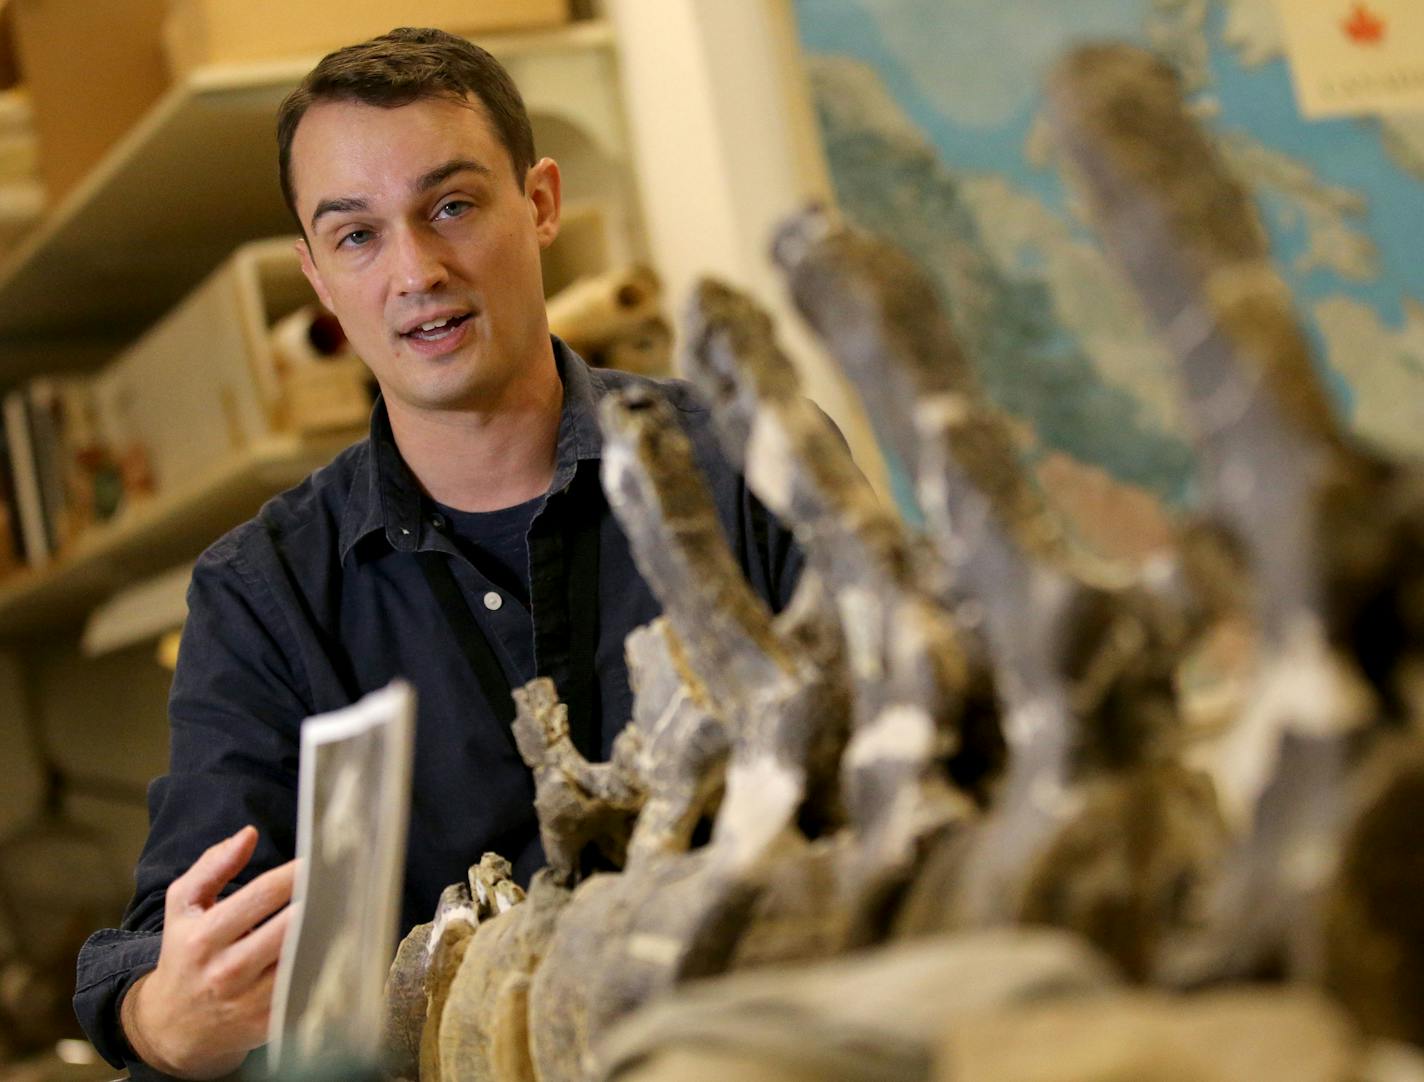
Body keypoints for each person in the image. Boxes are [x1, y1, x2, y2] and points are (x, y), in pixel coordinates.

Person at [73, 27, 804, 1080]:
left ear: (540, 203)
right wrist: (160, 1018)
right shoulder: (259, 593)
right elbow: (175, 956)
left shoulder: (748, 463)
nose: (417, 270)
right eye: (357, 235)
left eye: (452, 206)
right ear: (316, 274)